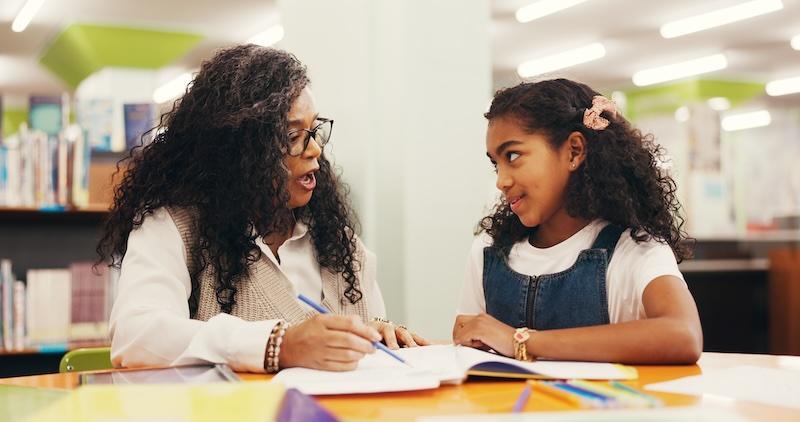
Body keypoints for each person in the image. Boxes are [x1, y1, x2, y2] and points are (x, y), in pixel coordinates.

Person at [99, 45, 426, 374]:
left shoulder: (341, 244)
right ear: (238, 152)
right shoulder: (175, 227)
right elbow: (136, 335)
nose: (314, 149)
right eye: (292, 135)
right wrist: (278, 345)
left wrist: (381, 334)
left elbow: (368, 339)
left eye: (314, 130)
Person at [453, 79, 702, 364]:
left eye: (513, 156)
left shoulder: (634, 249)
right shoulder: (488, 250)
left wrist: (519, 340)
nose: (501, 181)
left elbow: (684, 334)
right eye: (496, 164)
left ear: (574, 151)